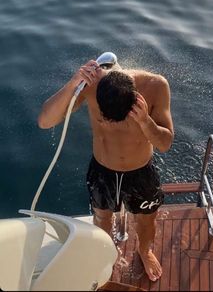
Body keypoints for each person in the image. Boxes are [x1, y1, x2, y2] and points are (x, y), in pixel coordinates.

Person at [38, 59, 174, 282]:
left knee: (147, 221)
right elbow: (45, 121)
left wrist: (145, 122)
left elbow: (165, 143)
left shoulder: (156, 86)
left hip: (140, 172)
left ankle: (145, 251)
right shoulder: (90, 85)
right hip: (103, 172)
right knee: (102, 218)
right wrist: (74, 83)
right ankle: (105, 252)